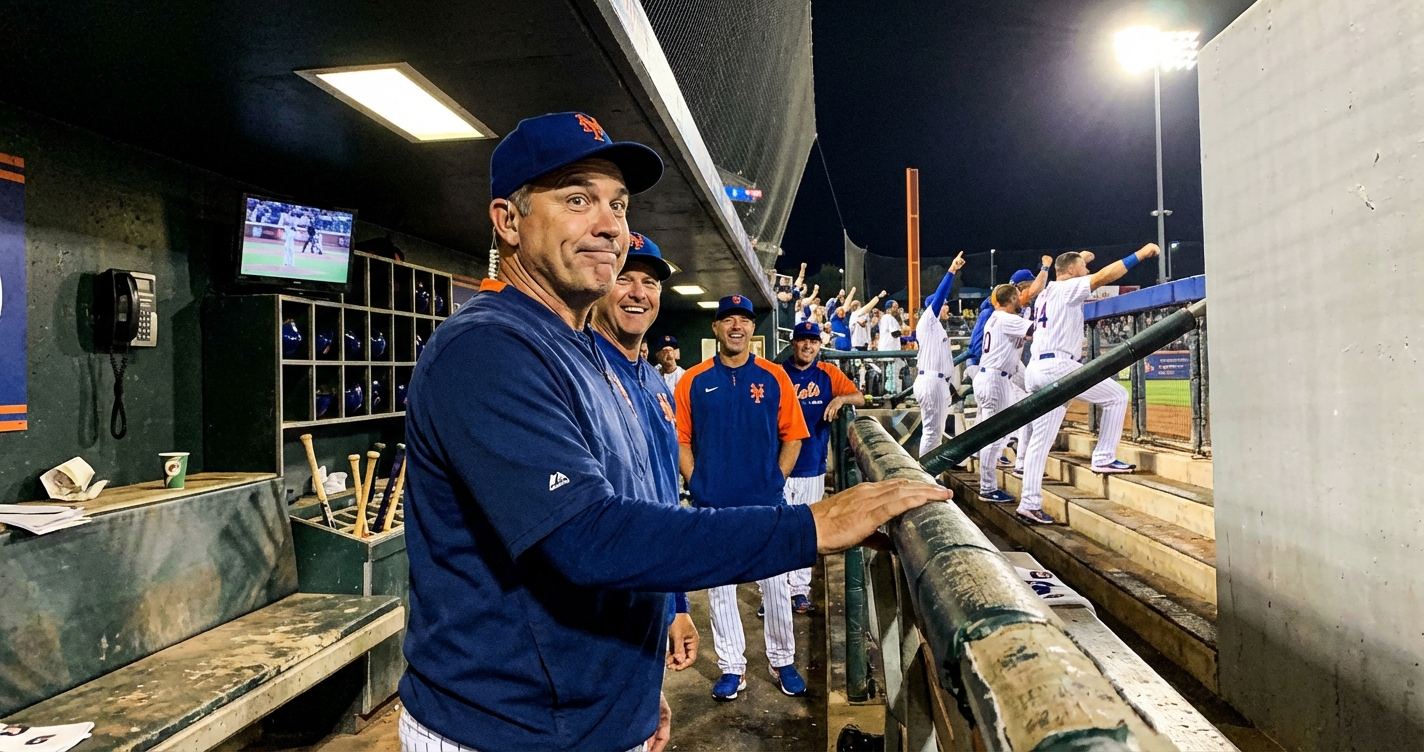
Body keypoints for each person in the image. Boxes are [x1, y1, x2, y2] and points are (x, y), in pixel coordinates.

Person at [398, 111, 952, 752]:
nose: (611, 226)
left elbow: (637, 511)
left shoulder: (587, 352)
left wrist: (631, 690)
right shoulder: (489, 348)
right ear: (508, 221)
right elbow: (588, 538)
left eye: (618, 204)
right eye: (578, 199)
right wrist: (813, 526)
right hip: (508, 731)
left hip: (589, 716)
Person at [675, 295, 810, 701]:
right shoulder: (693, 380)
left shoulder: (773, 377)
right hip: (713, 504)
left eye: (745, 320)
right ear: (715, 328)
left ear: (754, 329)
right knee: (720, 589)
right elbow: (680, 440)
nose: (737, 326)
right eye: (728, 320)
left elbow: (794, 435)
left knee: (775, 585)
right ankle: (732, 667)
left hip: (764, 501)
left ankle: (782, 659)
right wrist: (697, 482)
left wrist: (776, 478)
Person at [589, 230, 699, 672]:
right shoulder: (579, 370)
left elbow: (665, 499)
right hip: (597, 604)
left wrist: (677, 604)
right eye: (623, 277)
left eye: (650, 282)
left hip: (650, 594)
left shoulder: (655, 383)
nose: (638, 293)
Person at [1015, 245, 1159, 525]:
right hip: (1058, 367)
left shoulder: (1047, 291)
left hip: (1037, 368)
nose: (1088, 271)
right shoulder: (1067, 288)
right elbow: (1104, 276)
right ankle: (1103, 456)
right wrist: (1140, 254)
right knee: (1117, 396)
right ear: (1071, 272)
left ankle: (1029, 503)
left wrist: (1081, 257)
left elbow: (1072, 267)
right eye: (1083, 267)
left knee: (1039, 444)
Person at [781, 322, 865, 612]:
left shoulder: (828, 373)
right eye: (803, 340)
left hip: (812, 466)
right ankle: (775, 594)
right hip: (777, 467)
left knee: (806, 530)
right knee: (776, 530)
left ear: (819, 345)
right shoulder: (778, 374)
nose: (808, 346)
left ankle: (799, 590)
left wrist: (841, 398)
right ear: (793, 343)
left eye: (813, 341)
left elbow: (860, 397)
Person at [972, 284, 1033, 504]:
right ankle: (987, 488)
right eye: (1018, 297)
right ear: (1010, 300)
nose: (1021, 300)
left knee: (996, 435)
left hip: (996, 376)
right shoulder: (1006, 318)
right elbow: (1034, 330)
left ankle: (988, 486)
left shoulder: (999, 317)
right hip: (994, 379)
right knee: (994, 437)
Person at [913, 252, 966, 457]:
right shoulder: (929, 319)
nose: (946, 306)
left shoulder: (937, 328)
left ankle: (929, 476)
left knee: (934, 433)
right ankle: (926, 476)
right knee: (932, 434)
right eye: (944, 304)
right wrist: (952, 271)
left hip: (937, 382)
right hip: (931, 382)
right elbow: (939, 296)